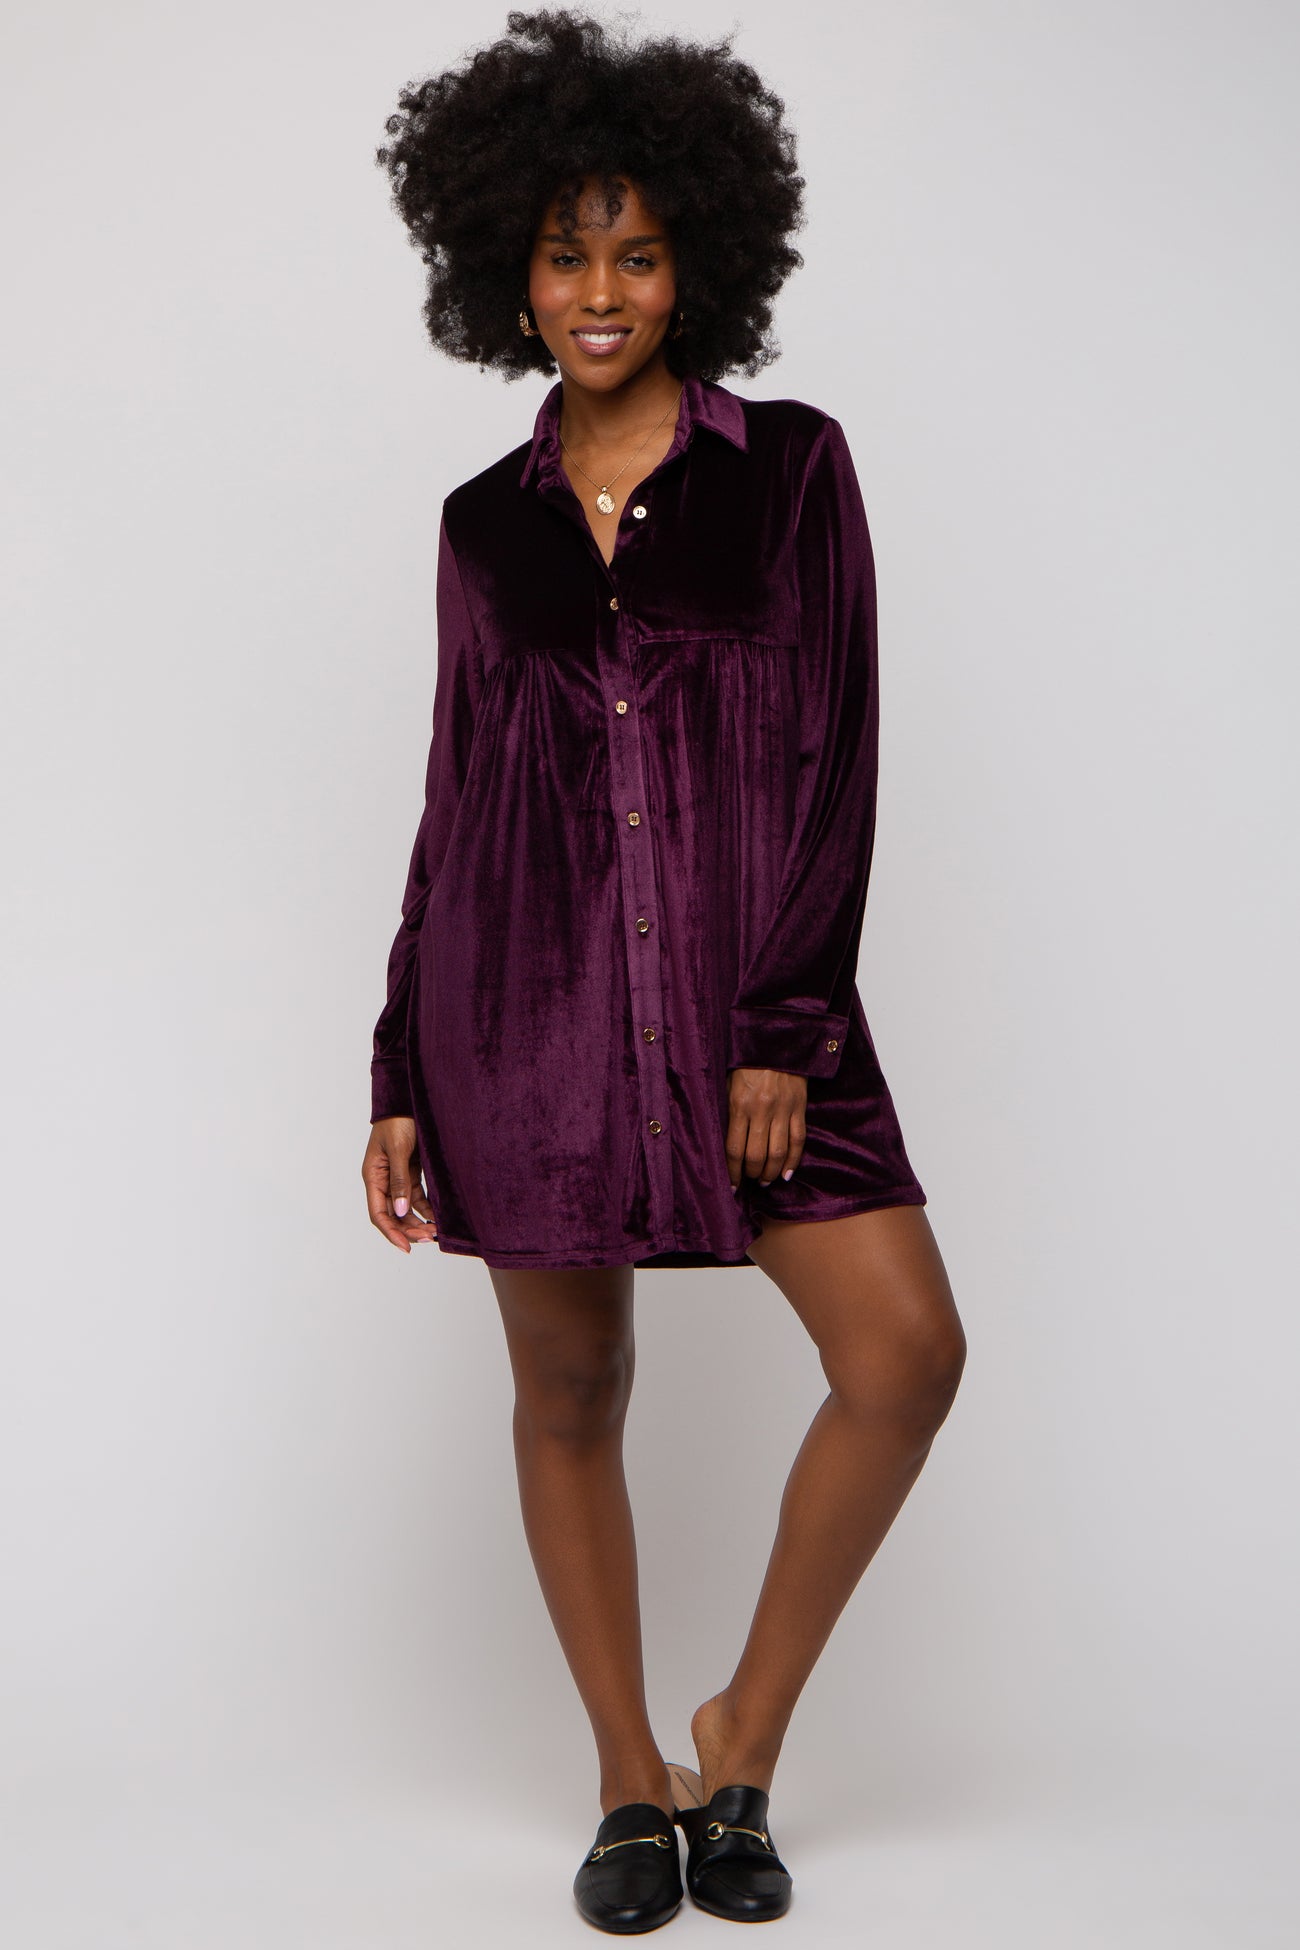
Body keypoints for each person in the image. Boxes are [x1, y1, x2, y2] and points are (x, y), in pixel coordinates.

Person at [361, 9, 967, 1932]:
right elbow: (457, 795)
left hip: (746, 1011)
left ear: (697, 257)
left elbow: (840, 750)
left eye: (635, 252)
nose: (602, 292)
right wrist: (398, 1063)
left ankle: (741, 1735)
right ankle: (631, 1777)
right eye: (566, 254)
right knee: (572, 1385)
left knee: (904, 1352)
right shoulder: (482, 527)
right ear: (509, 273)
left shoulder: (791, 471)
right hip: (523, 1015)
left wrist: (783, 1022)